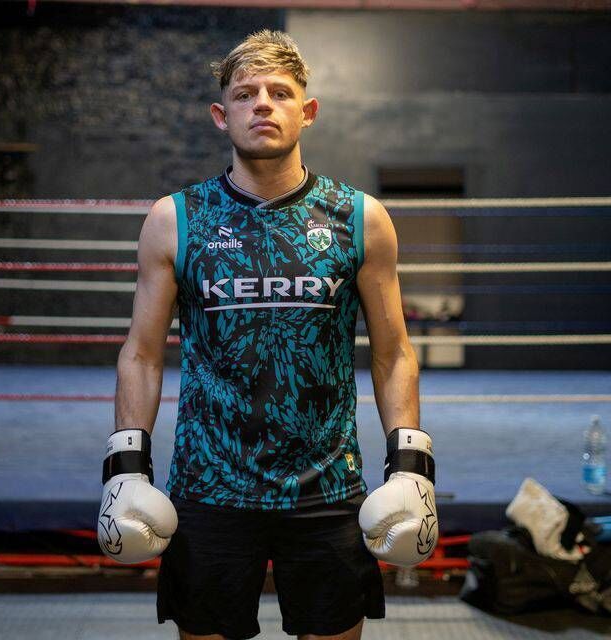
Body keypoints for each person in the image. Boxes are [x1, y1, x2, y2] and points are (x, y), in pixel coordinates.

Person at [97, 29, 438, 640]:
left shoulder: (361, 219)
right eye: (245, 93)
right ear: (220, 115)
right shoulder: (175, 219)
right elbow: (142, 354)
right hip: (210, 485)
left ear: (306, 112)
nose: (262, 104)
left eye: (279, 93)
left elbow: (394, 354)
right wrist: (125, 466)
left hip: (329, 485)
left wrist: (411, 465)